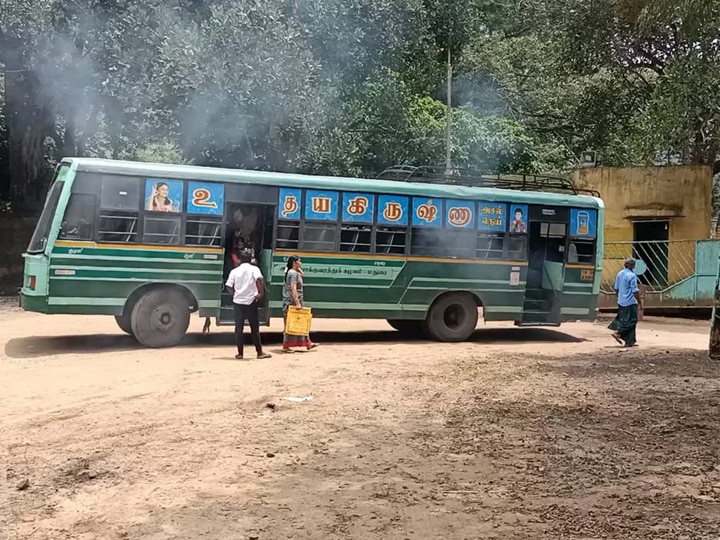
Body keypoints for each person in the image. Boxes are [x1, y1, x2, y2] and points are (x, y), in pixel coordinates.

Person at [225, 249, 271, 360]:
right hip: (251, 301)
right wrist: (261, 293)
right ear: (250, 259)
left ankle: (240, 353)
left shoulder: (234, 271)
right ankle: (259, 352)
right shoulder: (254, 269)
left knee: (239, 328)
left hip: (238, 302)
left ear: (239, 259)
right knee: (254, 329)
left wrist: (234, 294)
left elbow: (228, 285)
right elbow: (259, 280)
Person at [281, 255, 318, 353]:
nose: (301, 263)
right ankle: (286, 346)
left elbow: (302, 274)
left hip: (296, 299)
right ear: (294, 262)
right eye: (299, 261)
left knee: (301, 322)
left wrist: (298, 269)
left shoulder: (293, 272)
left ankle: (307, 343)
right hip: (292, 301)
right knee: (290, 323)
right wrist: (297, 303)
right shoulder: (292, 273)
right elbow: (293, 288)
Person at [608, 257, 641, 347]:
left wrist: (619, 297)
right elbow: (635, 291)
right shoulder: (632, 276)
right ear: (633, 266)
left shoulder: (620, 274)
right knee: (632, 320)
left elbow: (616, 288)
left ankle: (630, 341)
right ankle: (618, 332)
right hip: (630, 302)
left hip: (621, 301)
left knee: (623, 319)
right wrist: (640, 302)